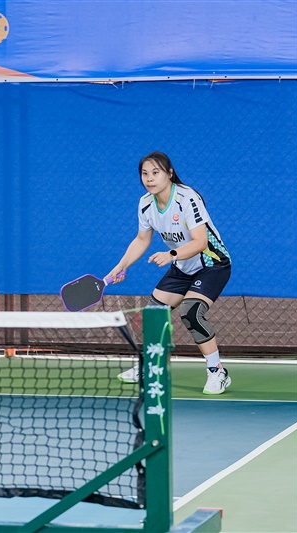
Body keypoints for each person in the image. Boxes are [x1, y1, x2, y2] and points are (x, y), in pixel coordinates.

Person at [107, 151, 232, 395]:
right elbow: (142, 240)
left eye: (155, 172)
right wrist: (122, 265)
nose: (149, 178)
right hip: (182, 267)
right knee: (153, 315)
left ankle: (217, 371)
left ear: (169, 173)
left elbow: (200, 242)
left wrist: (171, 255)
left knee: (191, 312)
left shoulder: (187, 198)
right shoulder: (146, 204)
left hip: (212, 264)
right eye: (145, 174)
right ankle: (152, 366)